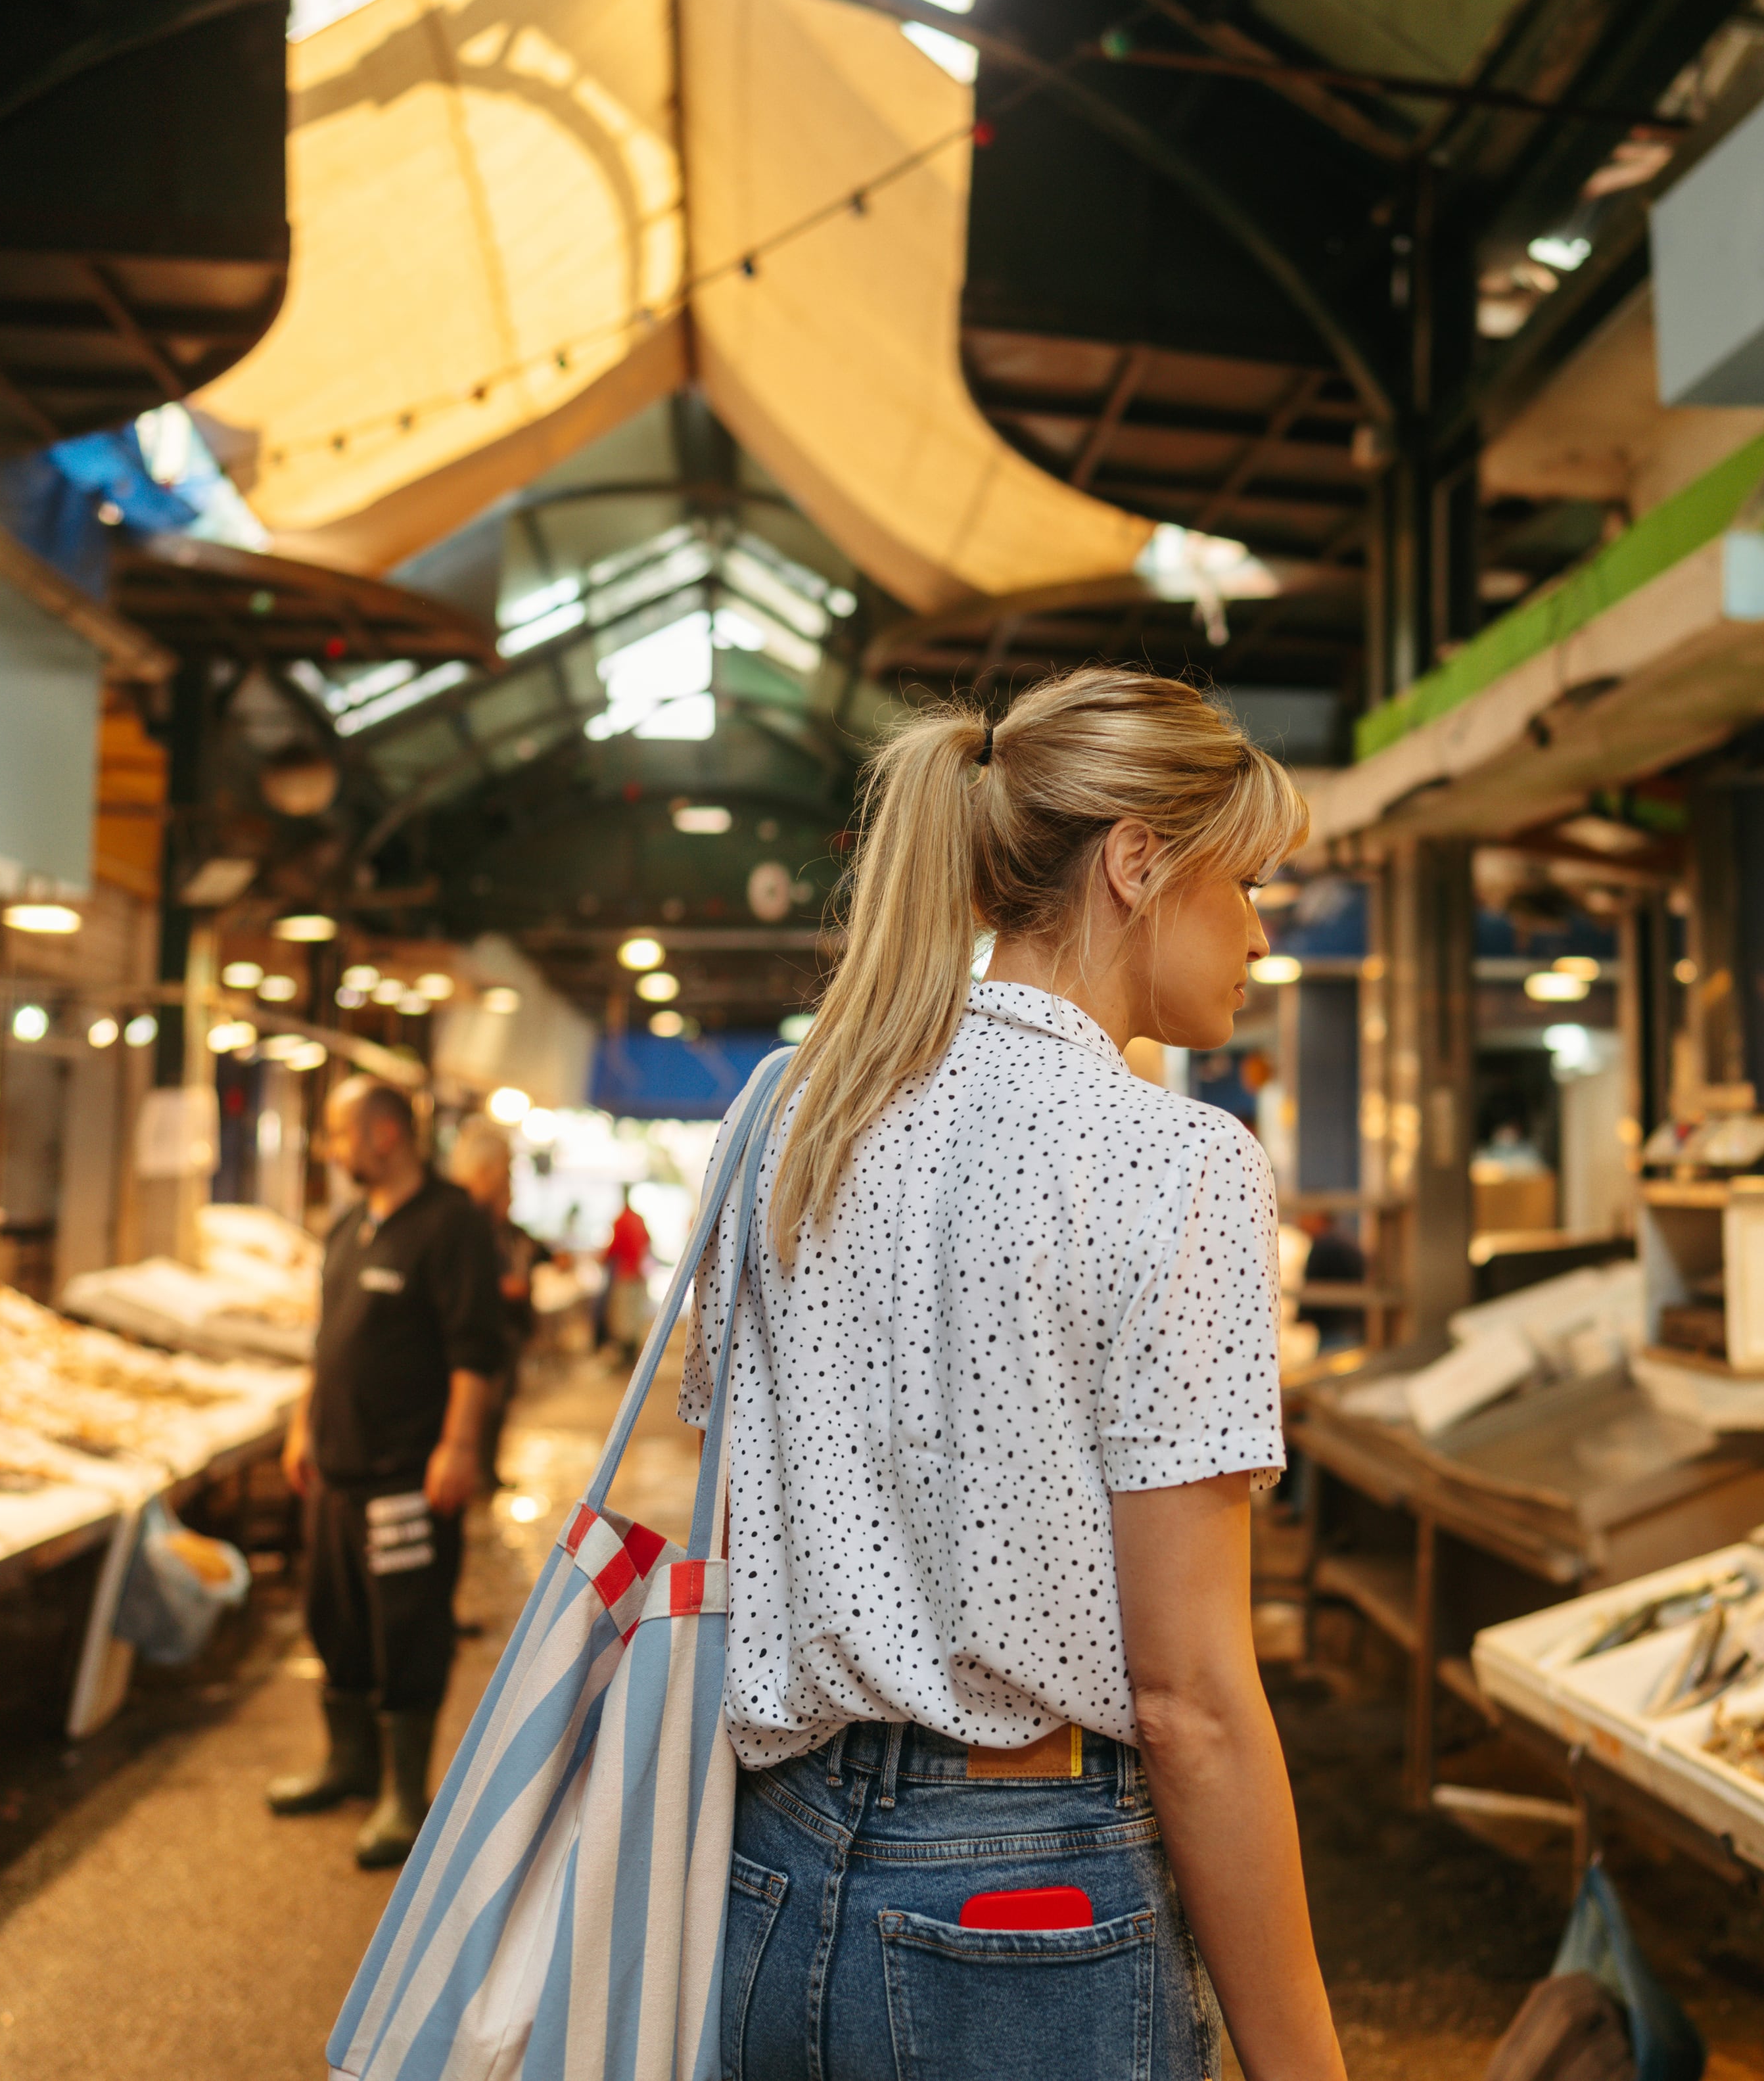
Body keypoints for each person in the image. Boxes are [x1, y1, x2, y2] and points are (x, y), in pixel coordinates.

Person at [682, 668, 1344, 2080]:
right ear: (1136, 861)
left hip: (763, 1880)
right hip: (1022, 1906)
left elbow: (736, 1520)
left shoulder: (785, 1117)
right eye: (1242, 882)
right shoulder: (1174, 1162)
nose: (1257, 929)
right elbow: (1192, 1701)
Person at [271, 1079, 507, 1869]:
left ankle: (406, 1797)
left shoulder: (450, 1227)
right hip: (336, 1473)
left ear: (381, 1136)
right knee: (333, 1619)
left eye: (338, 1134)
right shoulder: (348, 1228)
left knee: (407, 1627)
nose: (329, 1151)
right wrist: (304, 1426)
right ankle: (350, 1764)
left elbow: (476, 1350)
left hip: (406, 1476)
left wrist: (460, 1446)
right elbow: (323, 1342)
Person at [445, 1114, 536, 1493]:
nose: (509, 1180)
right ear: (484, 1170)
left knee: (493, 1410)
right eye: (506, 1169)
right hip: (462, 1355)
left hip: (490, 1342)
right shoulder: (456, 1221)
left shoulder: (488, 1222)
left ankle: (482, 1473)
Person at [600, 1184, 651, 1358]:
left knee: (624, 1315)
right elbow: (647, 1242)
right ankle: (632, 1349)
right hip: (638, 1272)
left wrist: (603, 1259)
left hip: (626, 1272)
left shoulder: (622, 1220)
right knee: (634, 1314)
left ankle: (627, 1352)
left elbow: (614, 1248)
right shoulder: (638, 1219)